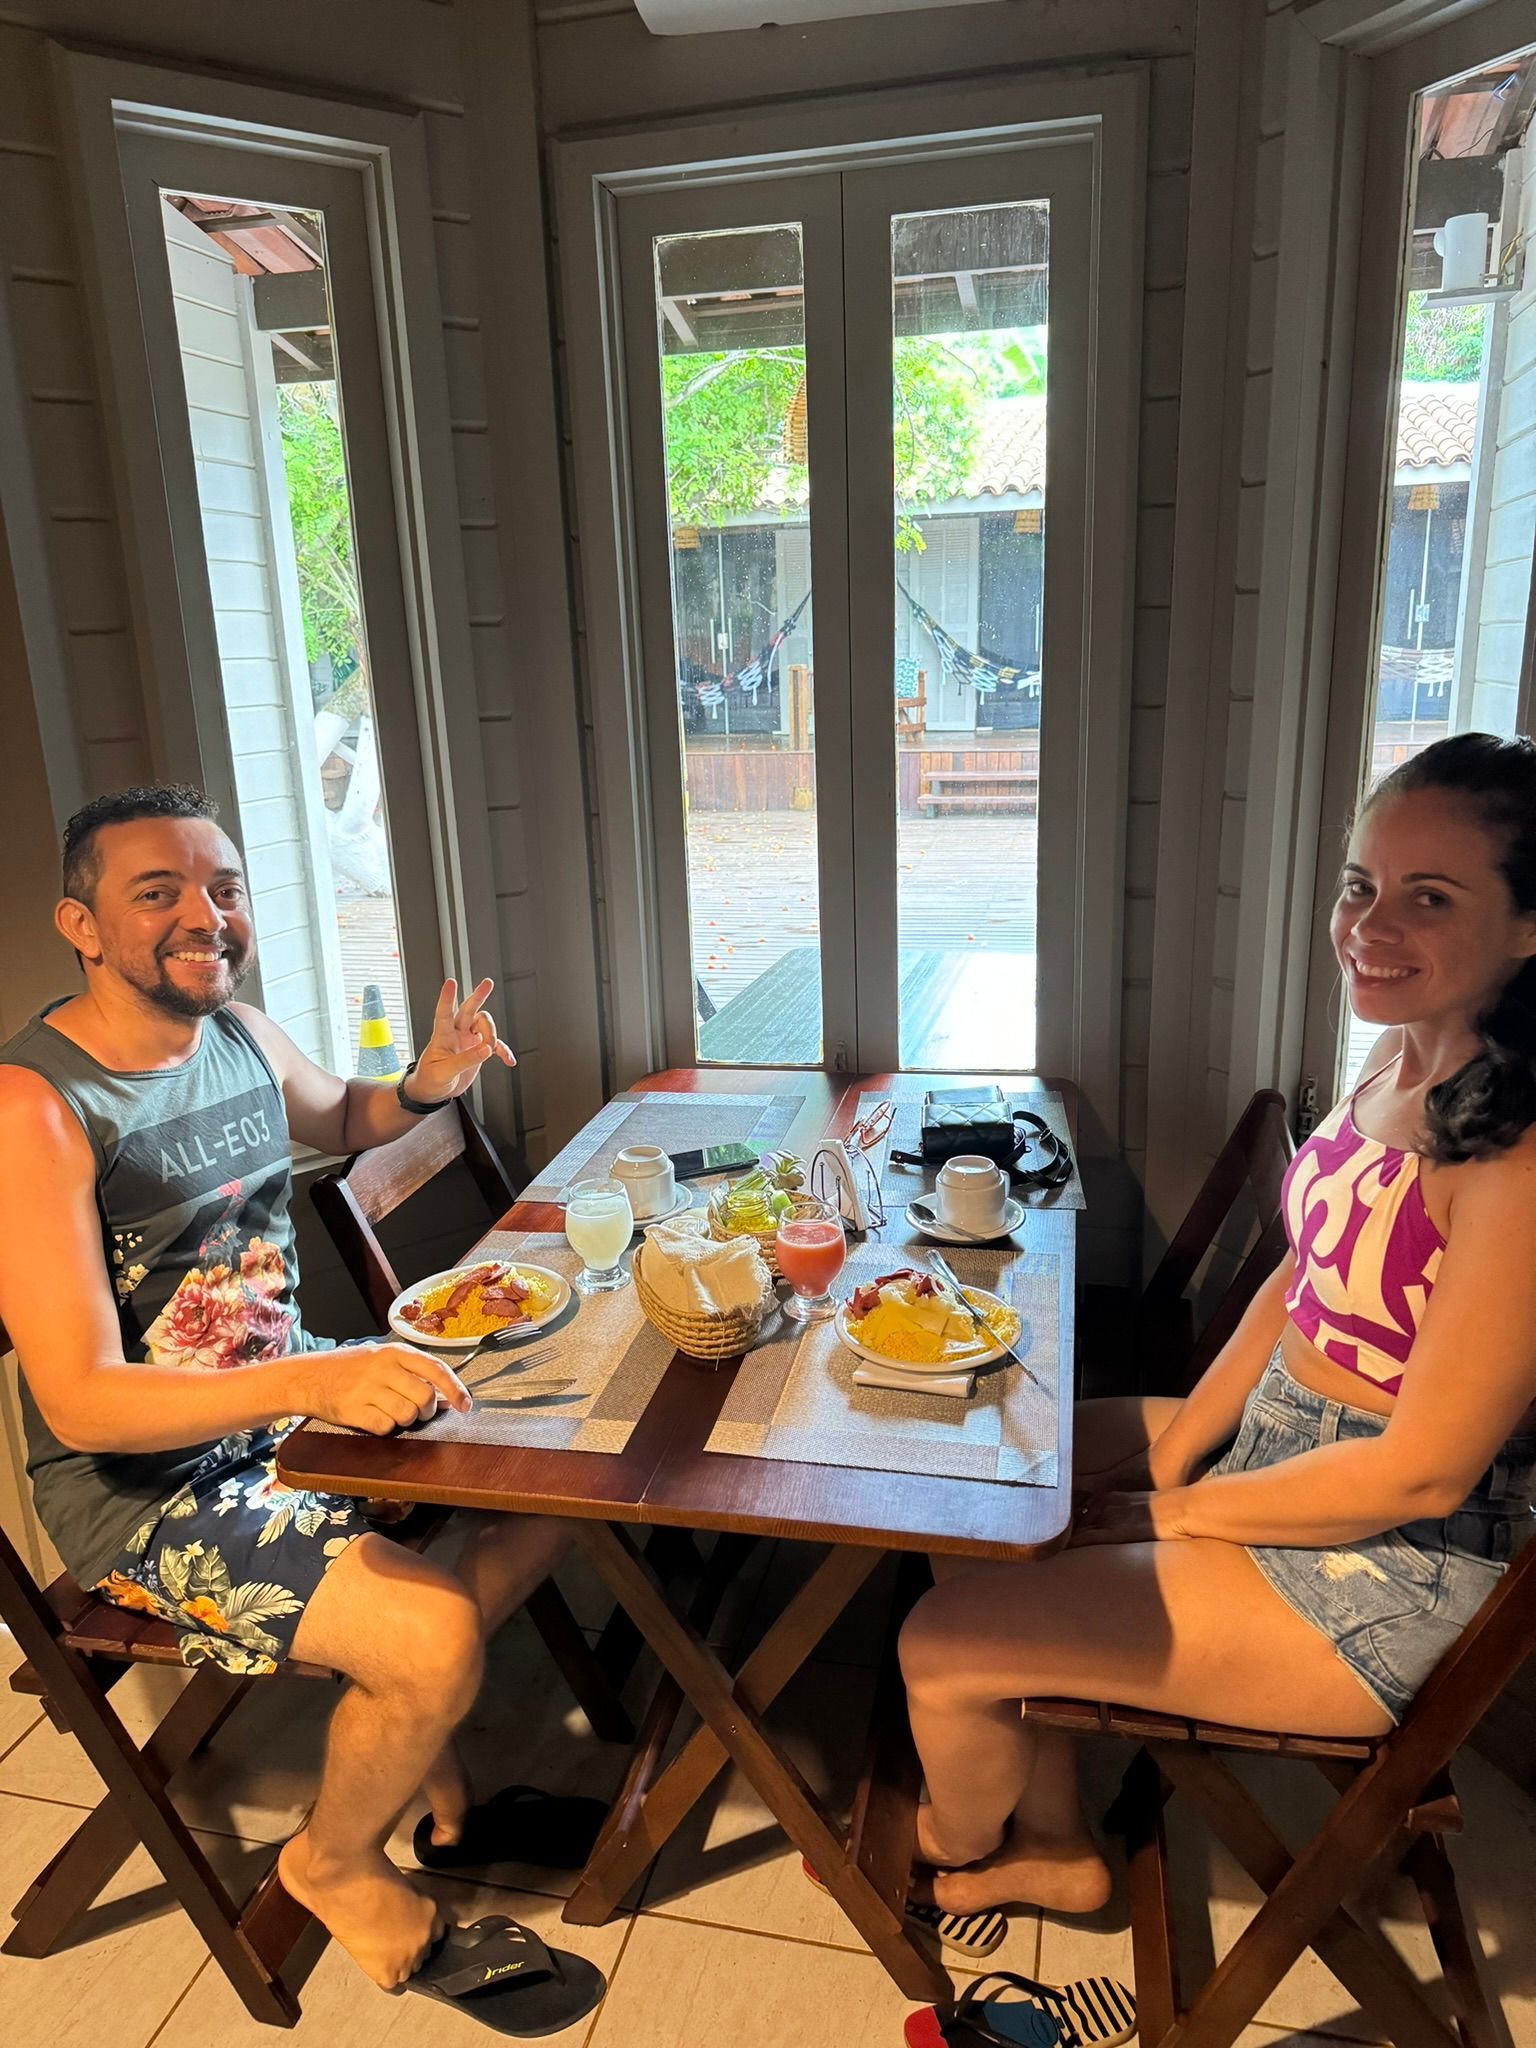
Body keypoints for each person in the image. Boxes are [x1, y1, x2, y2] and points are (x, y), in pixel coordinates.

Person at [897, 730, 1536, 1918]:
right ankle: (1054, 1834)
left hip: (1380, 1563)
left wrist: (1173, 1510)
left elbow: (1420, 1470)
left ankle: (948, 1838)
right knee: (982, 1474)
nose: (1369, 925)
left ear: (1529, 927)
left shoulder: (1514, 1161)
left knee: (936, 1643)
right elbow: (1299, 1276)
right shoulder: (1399, 1056)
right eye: (1361, 885)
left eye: (1430, 897)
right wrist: (1185, 1441)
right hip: (1281, 1442)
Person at [0, 784, 572, 1990]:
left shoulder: (242, 1033)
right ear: (81, 924)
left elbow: (348, 1113)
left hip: (284, 1414)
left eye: (223, 887)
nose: (205, 915)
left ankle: (423, 1742)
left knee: (565, 1482)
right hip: (146, 1489)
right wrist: (317, 1376)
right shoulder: (36, 1105)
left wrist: (428, 1079)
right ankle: (333, 1858)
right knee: (433, 1630)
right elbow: (83, 1400)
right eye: (157, 892)